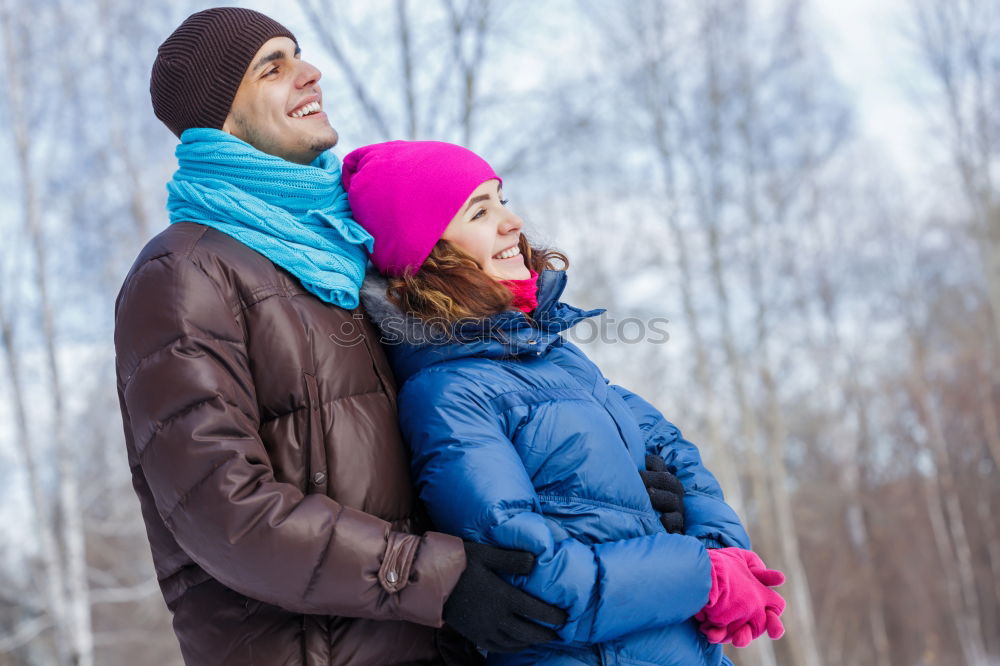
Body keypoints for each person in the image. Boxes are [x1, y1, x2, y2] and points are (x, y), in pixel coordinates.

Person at [114, 8, 567, 665]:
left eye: (299, 55)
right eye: (274, 66)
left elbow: (476, 406)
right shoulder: (184, 274)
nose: (311, 74)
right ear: (219, 116)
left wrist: (615, 476)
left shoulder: (351, 254)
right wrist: (434, 578)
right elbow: (224, 512)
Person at [343, 140, 788, 665]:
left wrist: (722, 547)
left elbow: (671, 449)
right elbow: (534, 580)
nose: (513, 222)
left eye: (501, 199)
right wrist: (704, 577)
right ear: (430, 253)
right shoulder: (449, 394)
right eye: (480, 212)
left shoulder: (558, 359)